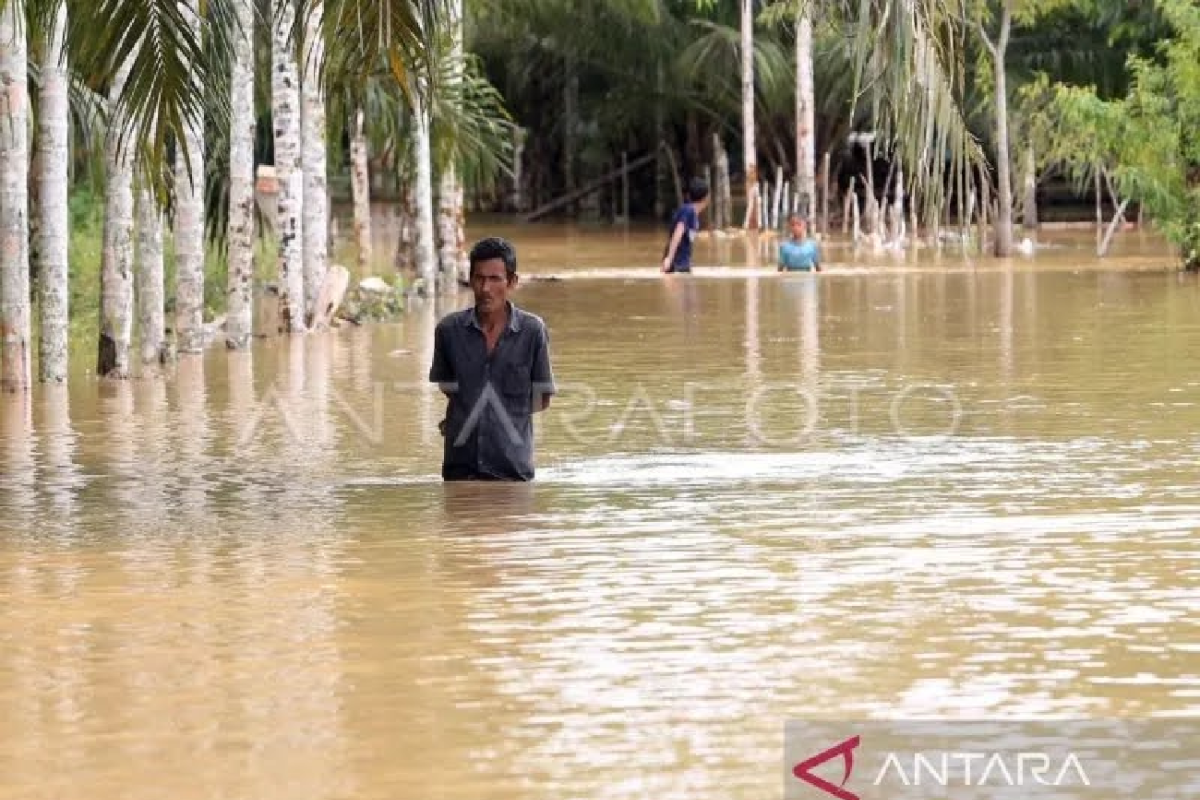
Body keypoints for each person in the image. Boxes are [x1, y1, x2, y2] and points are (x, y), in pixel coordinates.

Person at [428, 237, 556, 481]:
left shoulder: (532, 331)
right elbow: (446, 385)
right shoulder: (448, 331)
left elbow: (543, 398)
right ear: (470, 280)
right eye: (479, 278)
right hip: (460, 472)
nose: (485, 288)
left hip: (512, 473)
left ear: (512, 282)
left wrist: (495, 418)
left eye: (495, 279)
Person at [661, 177, 711, 273]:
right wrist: (669, 258)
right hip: (677, 264)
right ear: (706, 198)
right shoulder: (688, 211)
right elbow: (678, 232)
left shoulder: (691, 212)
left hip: (682, 264)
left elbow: (685, 236)